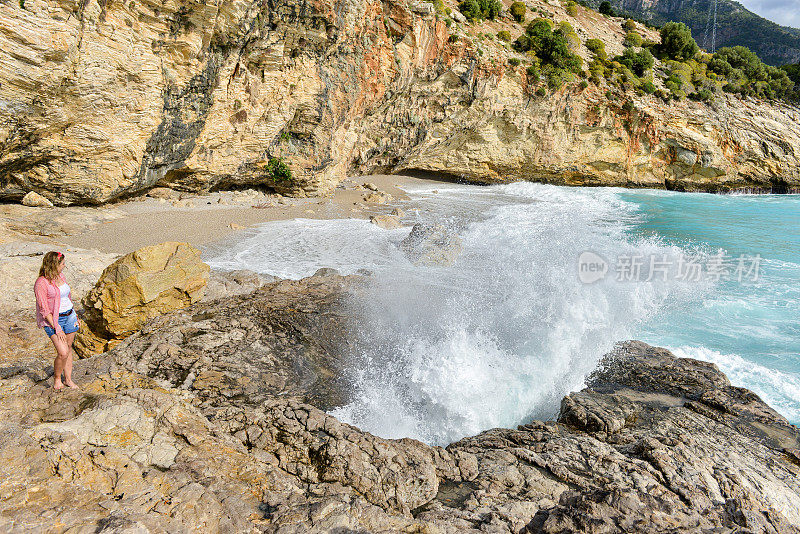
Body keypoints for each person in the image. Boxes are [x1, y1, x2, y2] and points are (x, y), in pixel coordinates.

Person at [34, 251, 80, 390]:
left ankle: (68, 379)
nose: (64, 266)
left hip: (70, 316)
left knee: (69, 347)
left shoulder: (61, 276)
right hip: (53, 320)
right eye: (62, 264)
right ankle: (57, 379)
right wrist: (57, 327)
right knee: (63, 352)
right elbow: (44, 309)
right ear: (54, 265)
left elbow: (67, 297)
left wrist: (75, 315)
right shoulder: (41, 283)